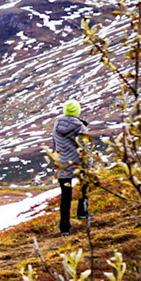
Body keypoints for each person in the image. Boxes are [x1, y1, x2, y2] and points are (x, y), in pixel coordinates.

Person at [53, 100, 89, 234]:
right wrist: (88, 165)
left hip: (62, 164)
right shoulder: (79, 126)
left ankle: (65, 227)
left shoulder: (57, 123)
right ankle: (82, 211)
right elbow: (84, 147)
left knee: (65, 195)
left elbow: (55, 143)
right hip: (77, 163)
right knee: (84, 185)